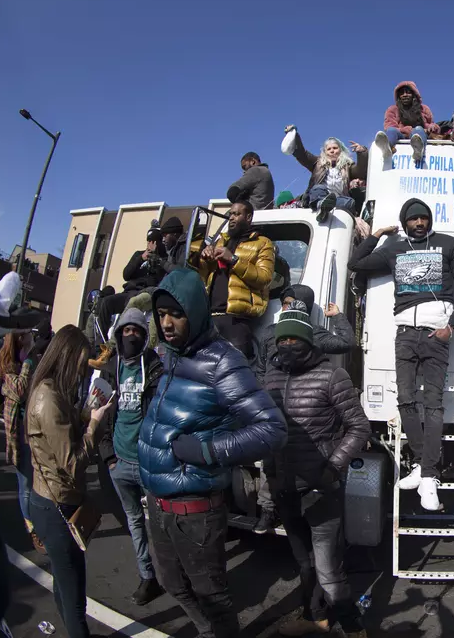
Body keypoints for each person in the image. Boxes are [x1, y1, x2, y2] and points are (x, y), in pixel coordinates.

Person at [139, 268, 287, 638]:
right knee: (171, 583)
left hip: (195, 511)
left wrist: (207, 450)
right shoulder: (170, 356)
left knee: (213, 597)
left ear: (196, 312)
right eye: (161, 315)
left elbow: (272, 429)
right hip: (158, 503)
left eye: (176, 313)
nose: (167, 323)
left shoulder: (223, 361)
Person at [347, 198, 454, 510]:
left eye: (424, 218)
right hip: (404, 334)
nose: (420, 223)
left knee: (432, 405)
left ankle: (429, 477)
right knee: (405, 400)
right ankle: (421, 465)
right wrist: (376, 234)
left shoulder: (448, 244)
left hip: (436, 335)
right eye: (413, 219)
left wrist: (452, 326)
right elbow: (355, 263)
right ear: (405, 223)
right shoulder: (394, 249)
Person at [264, 308, 371, 638]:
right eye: (282, 339)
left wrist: (333, 466)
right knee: (304, 563)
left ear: (309, 341)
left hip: (320, 490)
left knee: (328, 572)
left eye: (294, 338)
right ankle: (319, 620)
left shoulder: (331, 376)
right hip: (284, 488)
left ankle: (354, 629)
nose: (288, 344)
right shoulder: (270, 377)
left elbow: (359, 427)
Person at [26, 325, 114, 638]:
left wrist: (83, 414)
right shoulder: (48, 400)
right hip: (57, 505)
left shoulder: (50, 391)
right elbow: (73, 463)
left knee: (65, 585)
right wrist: (94, 425)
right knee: (74, 594)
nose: (80, 374)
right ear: (65, 359)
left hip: (51, 500)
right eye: (79, 366)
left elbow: (57, 440)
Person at [253, 284, 356, 534]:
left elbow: (346, 342)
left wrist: (339, 316)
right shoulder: (269, 332)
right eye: (284, 303)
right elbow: (259, 367)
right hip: (273, 403)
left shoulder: (314, 334)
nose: (286, 308)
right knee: (271, 462)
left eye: (292, 303)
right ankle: (268, 510)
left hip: (305, 405)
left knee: (304, 462)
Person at [95, 309, 165, 606]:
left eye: (137, 330)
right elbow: (98, 414)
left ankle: (175, 577)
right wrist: (109, 457)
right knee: (135, 522)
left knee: (162, 525)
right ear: (119, 333)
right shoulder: (111, 368)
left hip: (148, 462)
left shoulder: (154, 365)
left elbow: (163, 409)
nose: (132, 335)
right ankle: (147, 577)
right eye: (127, 331)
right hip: (120, 461)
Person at [198, 199, 275, 359]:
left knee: (237, 372)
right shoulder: (221, 241)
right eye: (231, 214)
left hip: (236, 320)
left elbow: (265, 278)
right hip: (211, 317)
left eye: (237, 214)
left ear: (248, 218)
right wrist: (205, 259)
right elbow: (205, 276)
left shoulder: (262, 243)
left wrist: (233, 259)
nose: (231, 218)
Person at [0, 331, 38, 545]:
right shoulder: (12, 367)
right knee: (26, 485)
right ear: (19, 340)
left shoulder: (28, 361)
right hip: (19, 435)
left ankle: (37, 521)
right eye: (28, 335)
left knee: (36, 481)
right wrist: (29, 361)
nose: (32, 338)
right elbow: (21, 389)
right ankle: (32, 528)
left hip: (34, 429)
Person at [97, 222, 168, 339]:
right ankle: (100, 346)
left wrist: (156, 259)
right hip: (128, 292)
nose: (150, 245)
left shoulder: (163, 259)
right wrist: (141, 259)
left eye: (154, 242)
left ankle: (116, 343)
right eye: (148, 241)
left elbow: (158, 278)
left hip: (143, 294)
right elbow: (126, 274)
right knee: (106, 302)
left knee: (133, 302)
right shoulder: (138, 254)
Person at [282, 126, 369, 220]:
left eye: (335, 148)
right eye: (329, 149)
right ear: (325, 152)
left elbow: (360, 172)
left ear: (341, 150)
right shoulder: (317, 163)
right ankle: (321, 205)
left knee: (350, 202)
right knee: (318, 188)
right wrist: (294, 135)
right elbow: (302, 154)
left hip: (337, 200)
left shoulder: (347, 167)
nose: (332, 151)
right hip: (317, 197)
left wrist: (362, 153)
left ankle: (326, 207)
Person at [375, 82, 440, 164]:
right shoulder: (392, 109)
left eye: (408, 92)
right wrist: (408, 130)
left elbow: (430, 124)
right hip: (401, 135)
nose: (405, 95)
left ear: (414, 94)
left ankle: (418, 151)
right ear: (398, 96)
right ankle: (387, 148)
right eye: (402, 93)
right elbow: (389, 125)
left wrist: (432, 127)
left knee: (418, 130)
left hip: (419, 134)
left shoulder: (424, 109)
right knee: (391, 130)